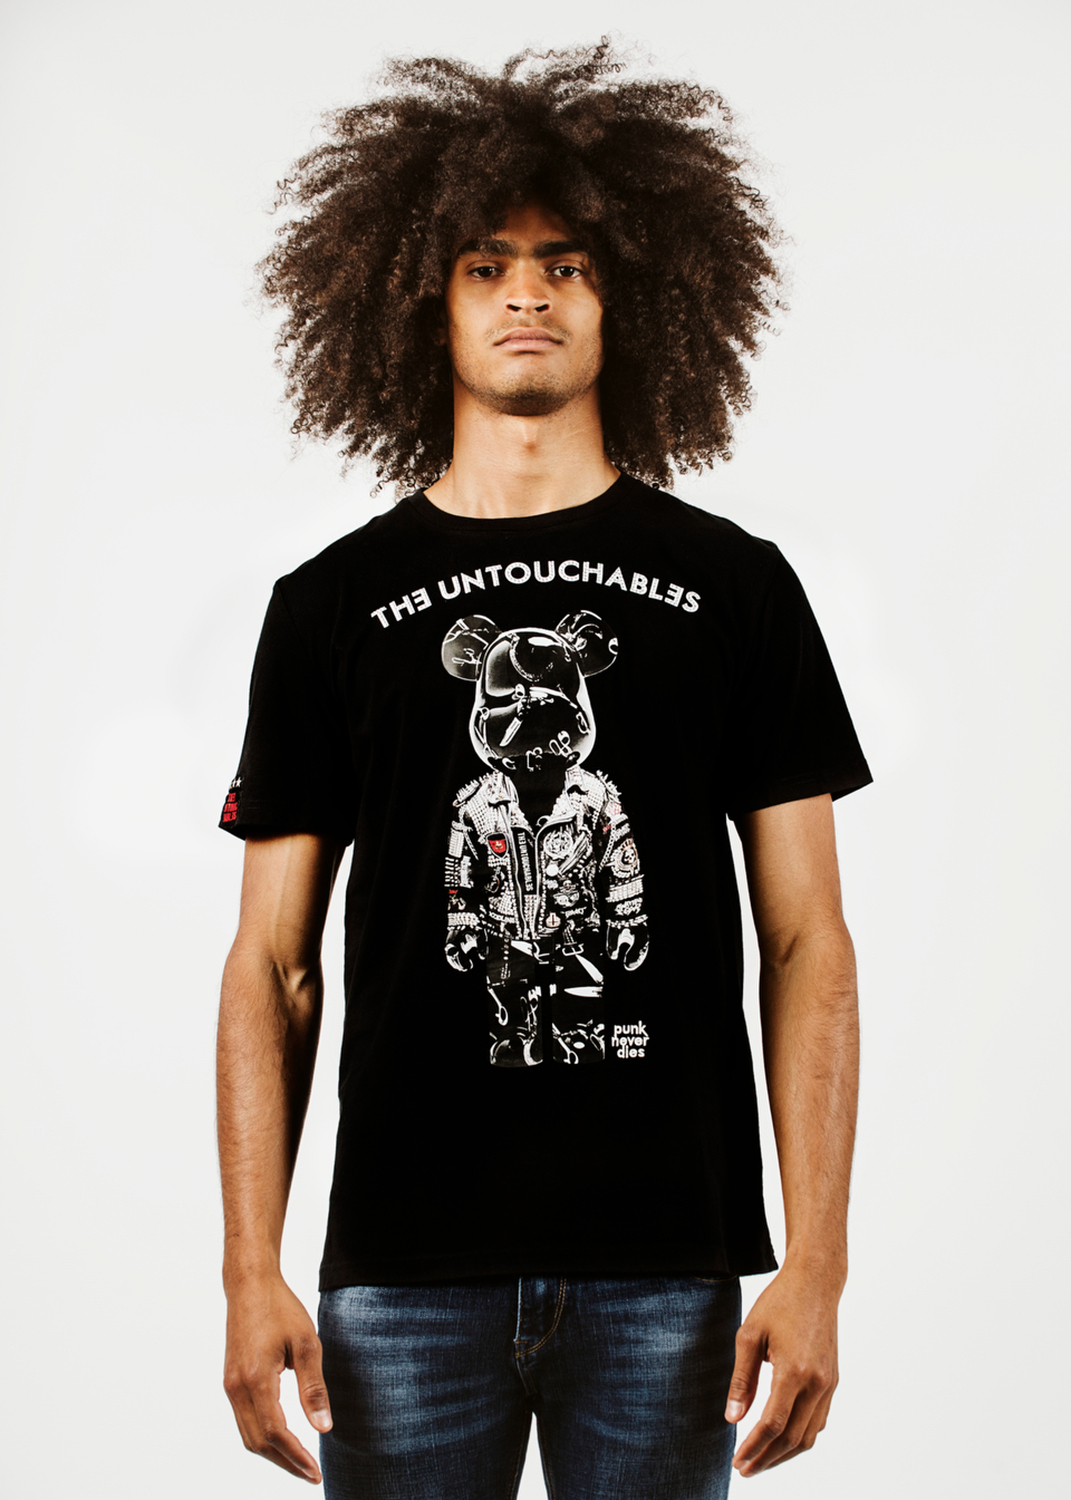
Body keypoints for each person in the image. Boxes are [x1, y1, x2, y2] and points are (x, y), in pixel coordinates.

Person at [217, 41, 871, 1499]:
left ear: (631, 299)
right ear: (421, 301)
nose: (528, 294)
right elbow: (272, 964)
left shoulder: (736, 589)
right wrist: (248, 1268)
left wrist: (818, 1261)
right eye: (486, 266)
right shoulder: (326, 608)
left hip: (668, 1270)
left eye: (567, 265)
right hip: (399, 1272)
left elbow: (809, 941)